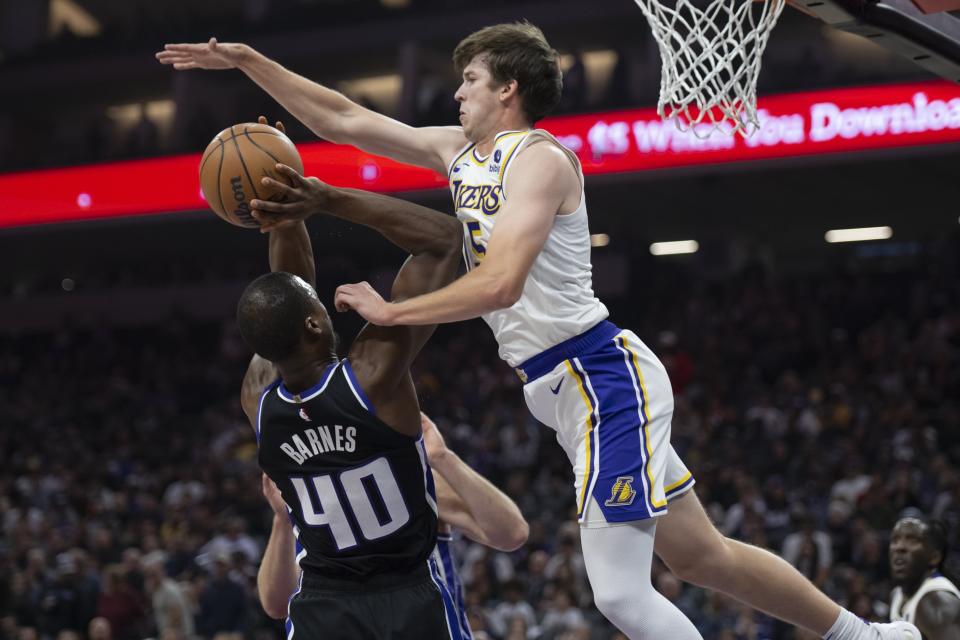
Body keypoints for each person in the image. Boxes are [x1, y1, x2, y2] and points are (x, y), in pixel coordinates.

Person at [157, 28, 919, 640]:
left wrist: (393, 313)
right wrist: (248, 61)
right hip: (560, 392)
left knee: (621, 596)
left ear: (508, 89)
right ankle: (866, 635)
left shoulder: (543, 161)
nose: (456, 92)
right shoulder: (457, 154)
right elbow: (344, 120)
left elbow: (501, 282)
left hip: (598, 374)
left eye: (470, 81)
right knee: (698, 555)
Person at [234, 117, 467, 639]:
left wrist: (283, 209)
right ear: (316, 323)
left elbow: (290, 289)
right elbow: (444, 241)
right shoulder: (373, 376)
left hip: (322, 606)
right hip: (408, 596)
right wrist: (324, 199)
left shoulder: (258, 398)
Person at [258, 412, 529, 640]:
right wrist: (282, 520)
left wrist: (441, 457)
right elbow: (277, 604)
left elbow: (512, 532)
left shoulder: (414, 479)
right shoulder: (314, 498)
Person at [889, 516, 960, 639]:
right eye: (895, 540)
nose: (899, 547)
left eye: (912, 541)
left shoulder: (938, 602)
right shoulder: (897, 594)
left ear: (935, 557)